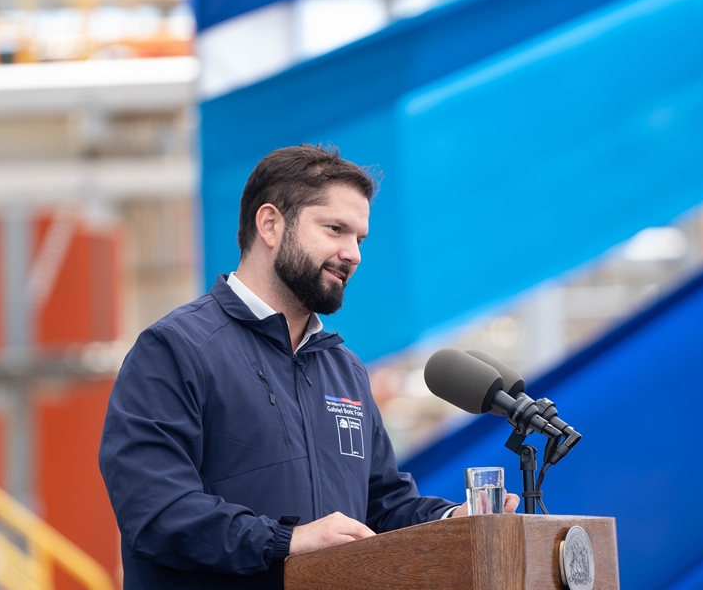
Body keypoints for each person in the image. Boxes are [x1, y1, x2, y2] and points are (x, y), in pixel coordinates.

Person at [99, 145, 518, 589]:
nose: (353, 253)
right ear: (270, 225)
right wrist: (287, 540)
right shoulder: (175, 349)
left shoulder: (344, 370)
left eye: (359, 239)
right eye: (335, 229)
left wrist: (453, 520)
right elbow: (157, 510)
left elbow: (381, 506)